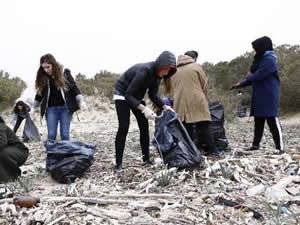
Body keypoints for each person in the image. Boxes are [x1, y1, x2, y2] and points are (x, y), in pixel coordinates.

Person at [113, 51, 177, 170]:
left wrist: (165, 106)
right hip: (122, 94)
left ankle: (146, 159)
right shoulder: (145, 70)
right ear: (160, 65)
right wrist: (144, 109)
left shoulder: (158, 76)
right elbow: (128, 95)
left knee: (144, 126)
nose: (166, 73)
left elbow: (152, 95)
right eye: (165, 69)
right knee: (124, 127)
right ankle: (118, 163)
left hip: (136, 96)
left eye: (169, 71)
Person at [231, 36, 283, 153]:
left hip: (268, 95)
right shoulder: (260, 59)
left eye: (255, 48)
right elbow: (253, 78)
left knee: (272, 120)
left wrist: (249, 76)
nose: (254, 51)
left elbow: (259, 75)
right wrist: (239, 85)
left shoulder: (270, 59)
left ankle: (280, 147)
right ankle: (255, 145)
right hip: (259, 94)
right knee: (258, 121)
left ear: (261, 47)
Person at [171, 50, 223, 157]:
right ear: (194, 58)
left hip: (180, 101)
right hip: (197, 99)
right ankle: (212, 150)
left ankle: (191, 152)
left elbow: (172, 87)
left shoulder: (175, 70)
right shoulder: (196, 66)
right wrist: (205, 98)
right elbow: (204, 85)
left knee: (187, 128)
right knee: (204, 125)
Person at [33, 53, 87, 141]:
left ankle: (65, 154)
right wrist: (33, 107)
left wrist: (81, 101)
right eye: (43, 67)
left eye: (48, 67)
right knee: (51, 135)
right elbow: (39, 94)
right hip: (51, 110)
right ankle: (51, 154)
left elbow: (74, 88)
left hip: (65, 109)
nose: (46, 70)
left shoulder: (64, 74)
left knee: (65, 135)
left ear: (53, 64)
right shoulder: (44, 77)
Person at [0, 116, 29, 182]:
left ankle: (12, 177)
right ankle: (4, 178)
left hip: (20, 151)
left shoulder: (1, 126)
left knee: (2, 152)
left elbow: (1, 143)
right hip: (9, 151)